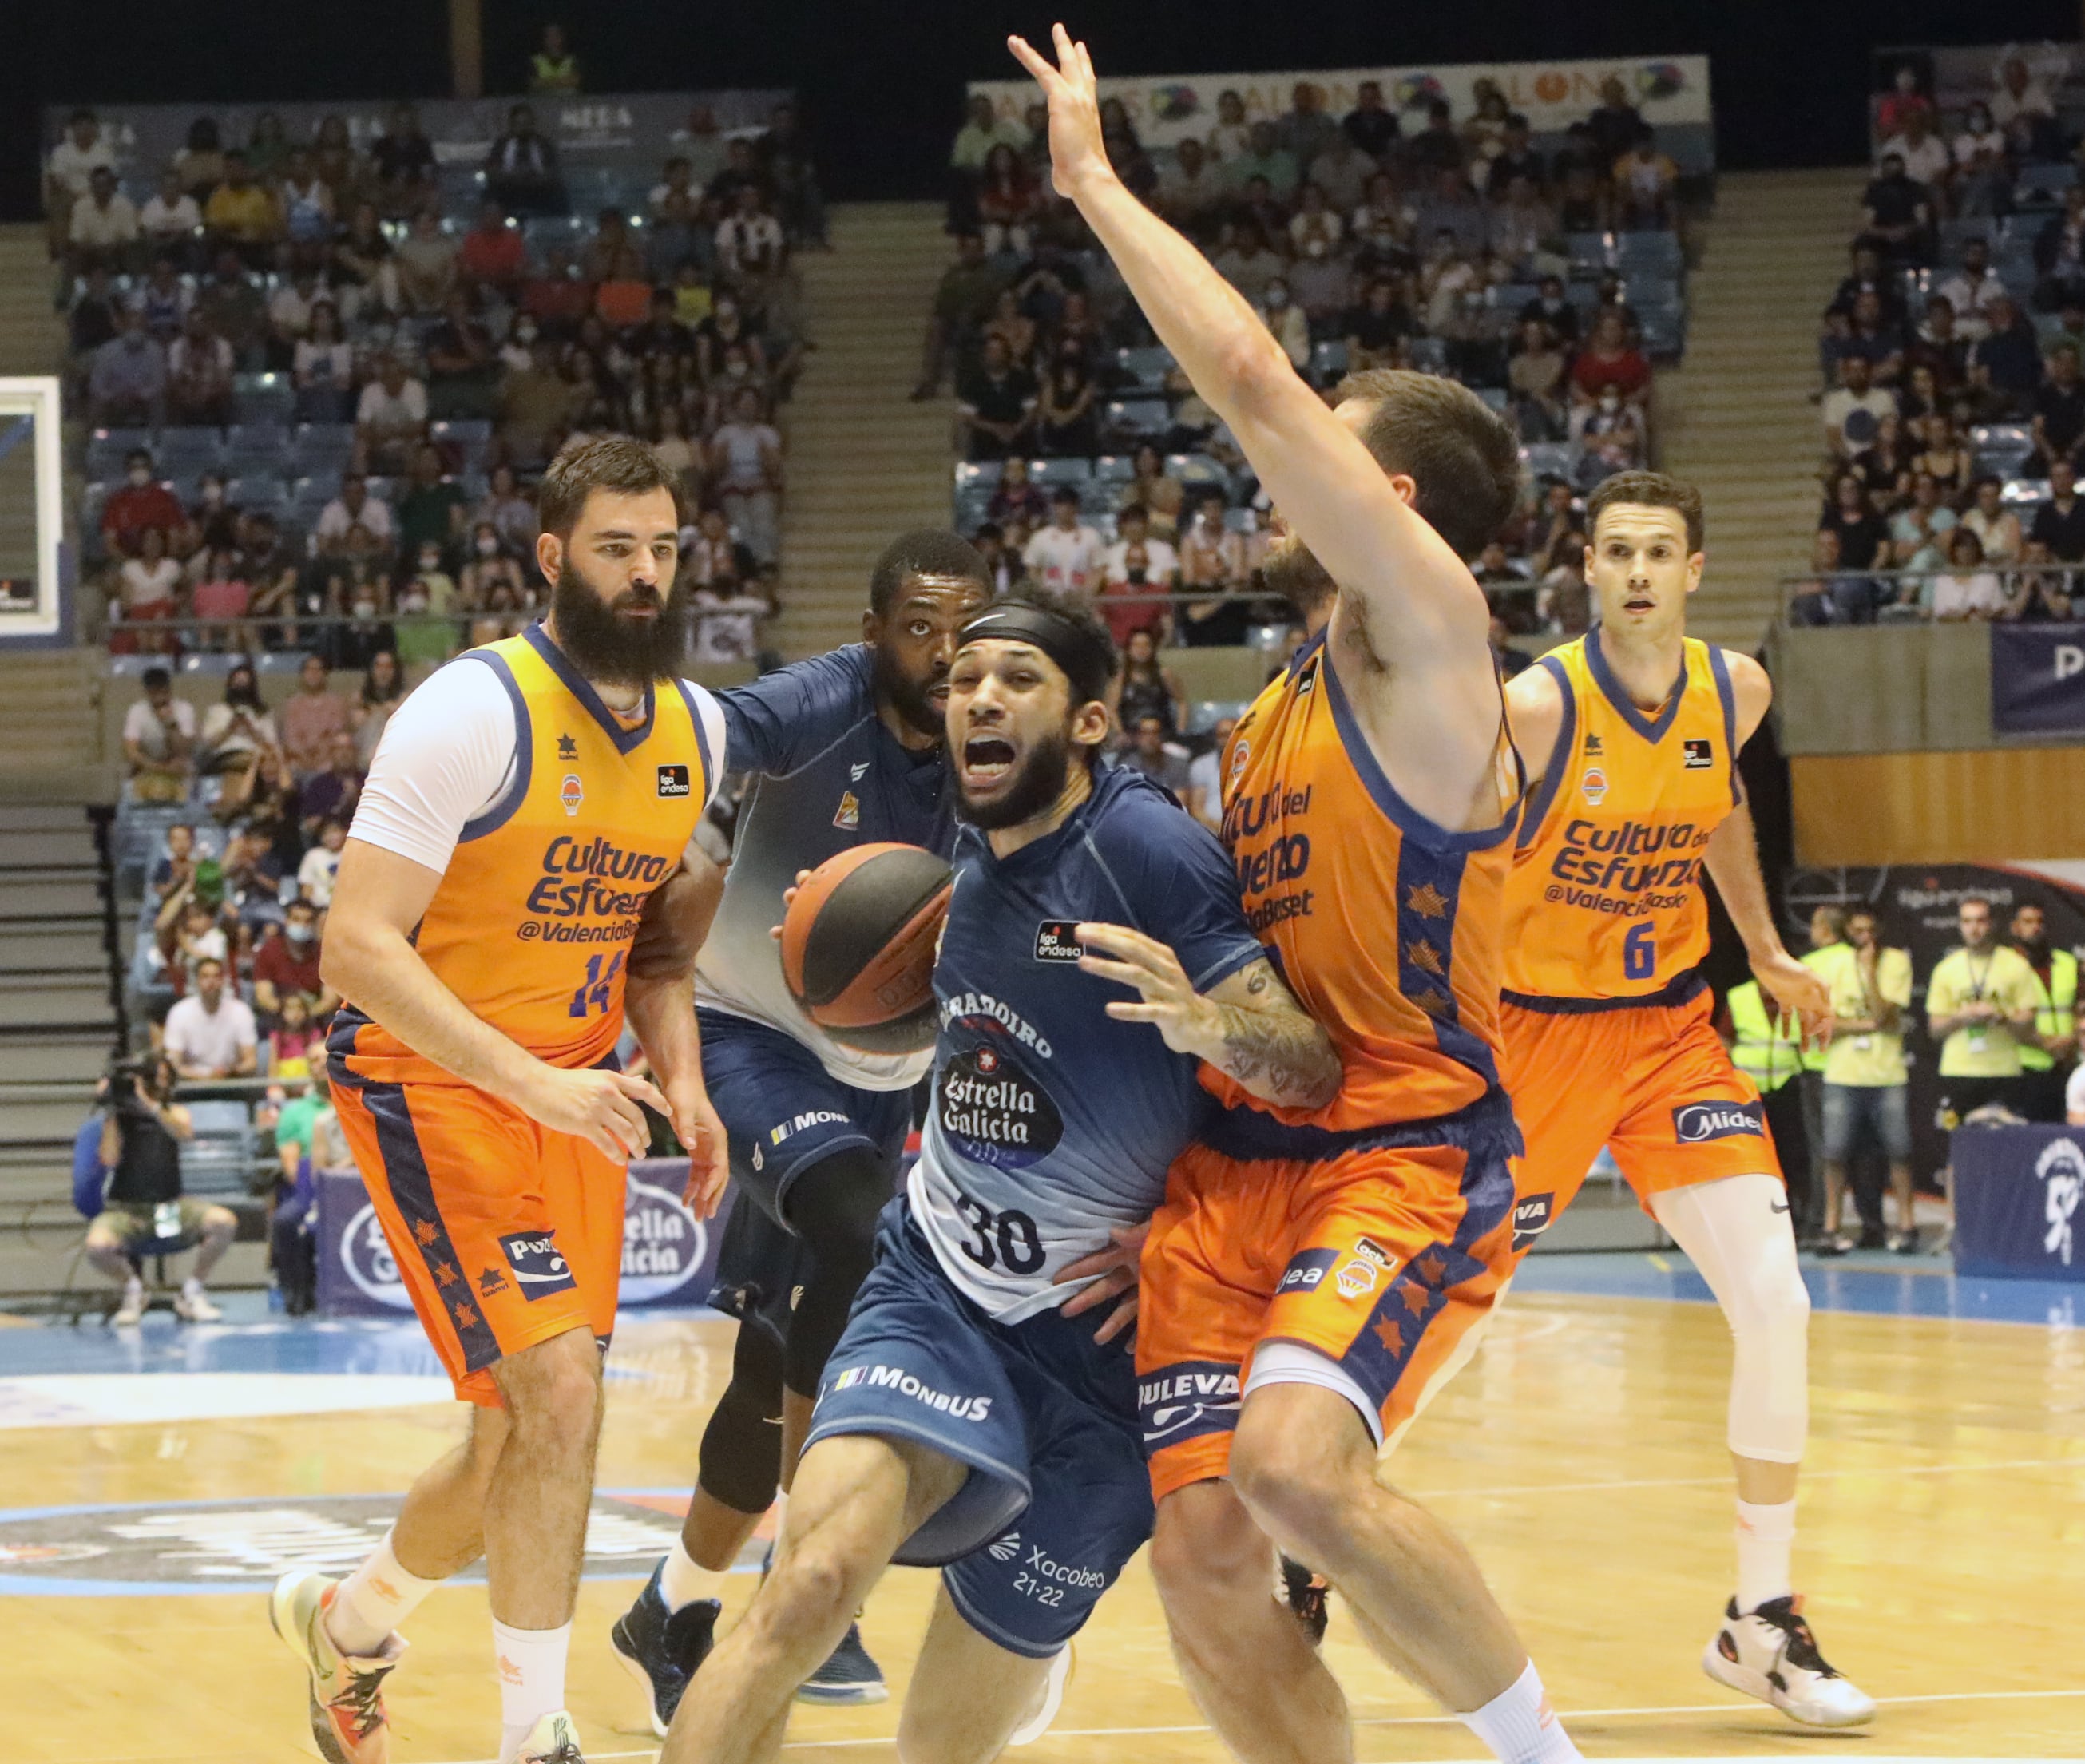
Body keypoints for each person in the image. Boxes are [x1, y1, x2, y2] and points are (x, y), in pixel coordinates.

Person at [1008, 30, 1586, 1764]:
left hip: (1404, 1151)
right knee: (1197, 1560)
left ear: (1385, 500)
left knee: (1289, 1470)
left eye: (1320, 455)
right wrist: (1191, 1075)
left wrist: (1097, 187)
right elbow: (1269, 1011)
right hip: (1239, 1167)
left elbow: (1253, 374)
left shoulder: (1430, 634)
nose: (1274, 468)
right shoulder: (1269, 714)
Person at [656, 589, 1334, 1764]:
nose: (978, 695)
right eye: (966, 676)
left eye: (1016, 678)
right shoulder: (949, 846)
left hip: (1104, 1357)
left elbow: (1306, 1067)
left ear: (1085, 721)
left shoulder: (1144, 852)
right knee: (806, 1584)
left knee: (938, 1745)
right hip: (937, 1297)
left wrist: (1205, 1022)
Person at [268, 437, 733, 1764]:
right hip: (431, 1078)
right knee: (560, 1398)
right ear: (552, 557)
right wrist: (534, 1079)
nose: (644, 574)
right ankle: (537, 1736)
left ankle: (352, 1623)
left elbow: (657, 950)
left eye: (662, 548)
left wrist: (683, 1078)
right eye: (614, 548)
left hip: (573, 1091)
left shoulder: (694, 732)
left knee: (518, 1436)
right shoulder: (469, 710)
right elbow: (352, 945)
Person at [1499, 470, 1873, 1726]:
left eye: (1660, 551)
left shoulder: (1737, 689)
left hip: (1668, 1036)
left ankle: (1758, 1622)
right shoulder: (1537, 707)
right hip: (1532, 1036)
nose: (1640, 572)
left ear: (1694, 569)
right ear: (1586, 569)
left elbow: (1713, 819)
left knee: (1775, 1304)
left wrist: (1760, 949)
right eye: (1617, 552)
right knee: (1448, 1309)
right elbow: (1458, 857)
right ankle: (1312, 1527)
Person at [610, 532, 993, 1730]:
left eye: (961, 631)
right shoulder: (817, 702)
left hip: (890, 1065)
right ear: (876, 628)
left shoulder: (998, 731)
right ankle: (810, 1581)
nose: (943, 656)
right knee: (860, 1233)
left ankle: (667, 1609)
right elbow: (702, 739)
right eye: (919, 629)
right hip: (750, 1038)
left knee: (773, 1361)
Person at [84, 1055, 236, 1326]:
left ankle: (192, 1291)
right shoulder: (119, 1119)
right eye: (158, 1077)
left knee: (223, 1223)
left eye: (168, 1079)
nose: (163, 1083)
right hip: (127, 1212)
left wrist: (149, 1105)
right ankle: (133, 1290)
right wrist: (112, 1112)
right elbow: (108, 1159)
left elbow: (183, 1133)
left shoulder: (174, 1112)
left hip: (168, 1211)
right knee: (97, 1246)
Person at [1817, 908, 1917, 1255]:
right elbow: (1824, 1021)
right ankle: (1831, 1228)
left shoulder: (1896, 962)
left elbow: (1883, 1012)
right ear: (1847, 931)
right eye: (1857, 931)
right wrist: (1866, 1026)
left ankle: (1906, 1226)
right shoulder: (1832, 964)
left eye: (1871, 931)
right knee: (1834, 1153)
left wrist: (1871, 972)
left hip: (1887, 1073)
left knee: (1899, 1151)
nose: (1865, 938)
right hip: (1843, 1073)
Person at [1928, 896, 2042, 1127]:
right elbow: (1935, 1029)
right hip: (1958, 1071)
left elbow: (2028, 1021)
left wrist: (2000, 1017)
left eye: (1980, 921)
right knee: (1957, 1144)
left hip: (2003, 1071)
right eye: (1967, 921)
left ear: (1991, 924)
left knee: (2002, 1145)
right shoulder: (1946, 969)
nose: (1974, 928)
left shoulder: (2015, 965)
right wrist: (1961, 1017)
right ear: (1960, 925)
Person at [2008, 900, 2078, 1124]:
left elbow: (2080, 1007)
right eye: (2028, 922)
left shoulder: (2068, 963)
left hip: (2068, 1063)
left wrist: (2072, 1040)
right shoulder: (2006, 967)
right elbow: (2007, 1019)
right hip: (2028, 1066)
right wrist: (2047, 1044)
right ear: (2015, 927)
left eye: (2040, 921)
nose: (2035, 927)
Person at [163, 954, 260, 1080]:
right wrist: (205, 1077)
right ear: (197, 981)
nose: (211, 982)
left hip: (231, 1083)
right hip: (191, 1086)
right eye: (205, 977)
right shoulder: (180, 1012)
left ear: (223, 981)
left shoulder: (241, 1011)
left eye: (216, 977)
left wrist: (228, 1073)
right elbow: (173, 1064)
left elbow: (251, 1061)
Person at [1021, 486, 1104, 598]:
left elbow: (1098, 570)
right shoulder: (1041, 537)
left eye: (1070, 505)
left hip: (1080, 600)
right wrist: (1043, 593)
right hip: (1049, 601)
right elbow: (1032, 569)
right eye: (1061, 505)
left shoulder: (1091, 536)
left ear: (1077, 508)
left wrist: (1087, 594)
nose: (1065, 509)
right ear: (1054, 507)